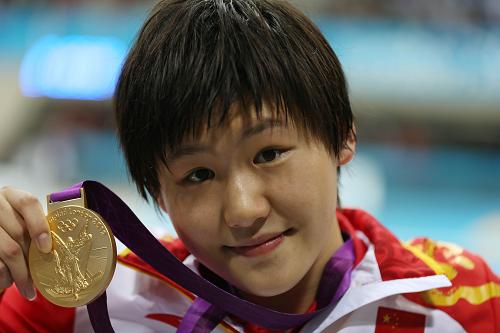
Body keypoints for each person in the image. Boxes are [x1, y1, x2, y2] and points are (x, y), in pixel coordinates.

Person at [0, 0, 498, 332]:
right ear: (155, 190)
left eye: (269, 154)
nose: (243, 210)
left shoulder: (460, 299)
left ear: (343, 134)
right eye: (197, 175)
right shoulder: (76, 306)